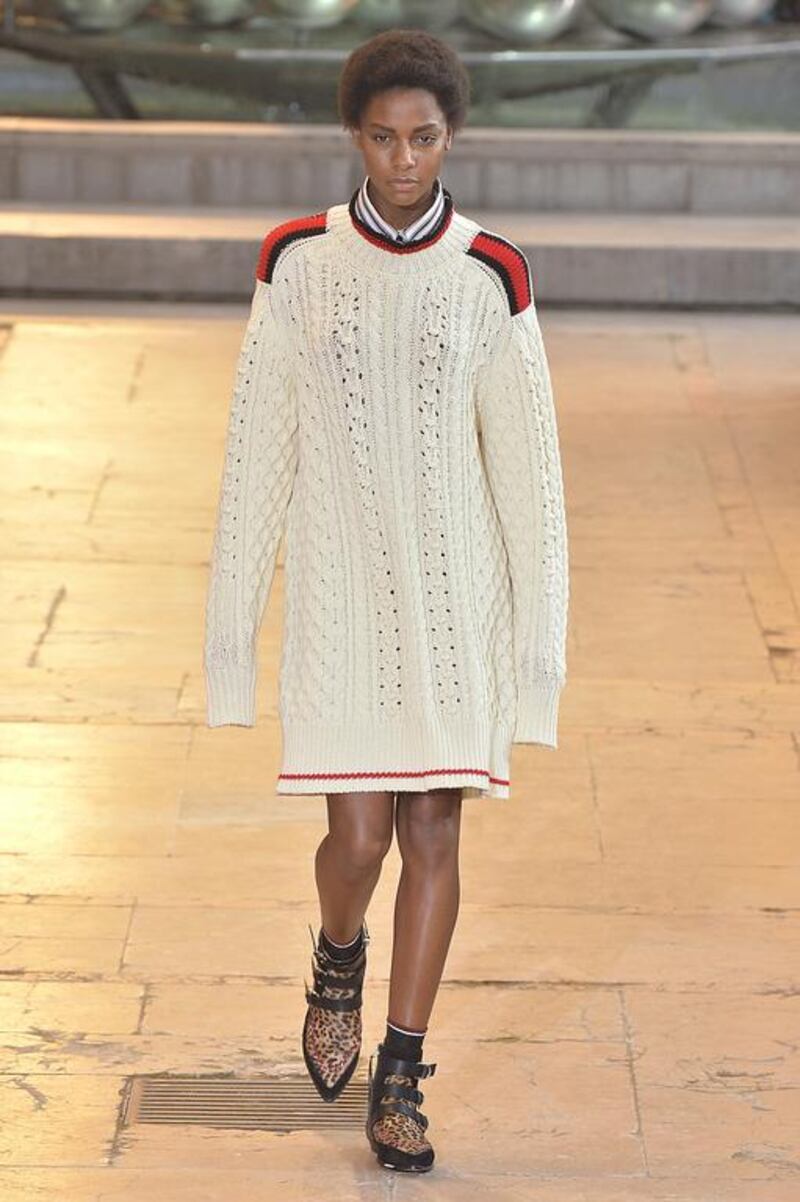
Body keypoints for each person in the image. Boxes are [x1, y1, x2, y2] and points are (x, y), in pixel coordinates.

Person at [203, 27, 569, 1175]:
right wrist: (230, 636)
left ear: (449, 136)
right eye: (382, 137)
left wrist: (537, 653)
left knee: (433, 825)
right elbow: (256, 450)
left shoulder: (490, 273)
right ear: (352, 136)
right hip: (340, 603)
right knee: (354, 838)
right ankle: (337, 954)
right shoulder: (295, 264)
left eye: (423, 138)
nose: (403, 160)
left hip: (460, 604)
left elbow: (529, 472)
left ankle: (400, 1074)